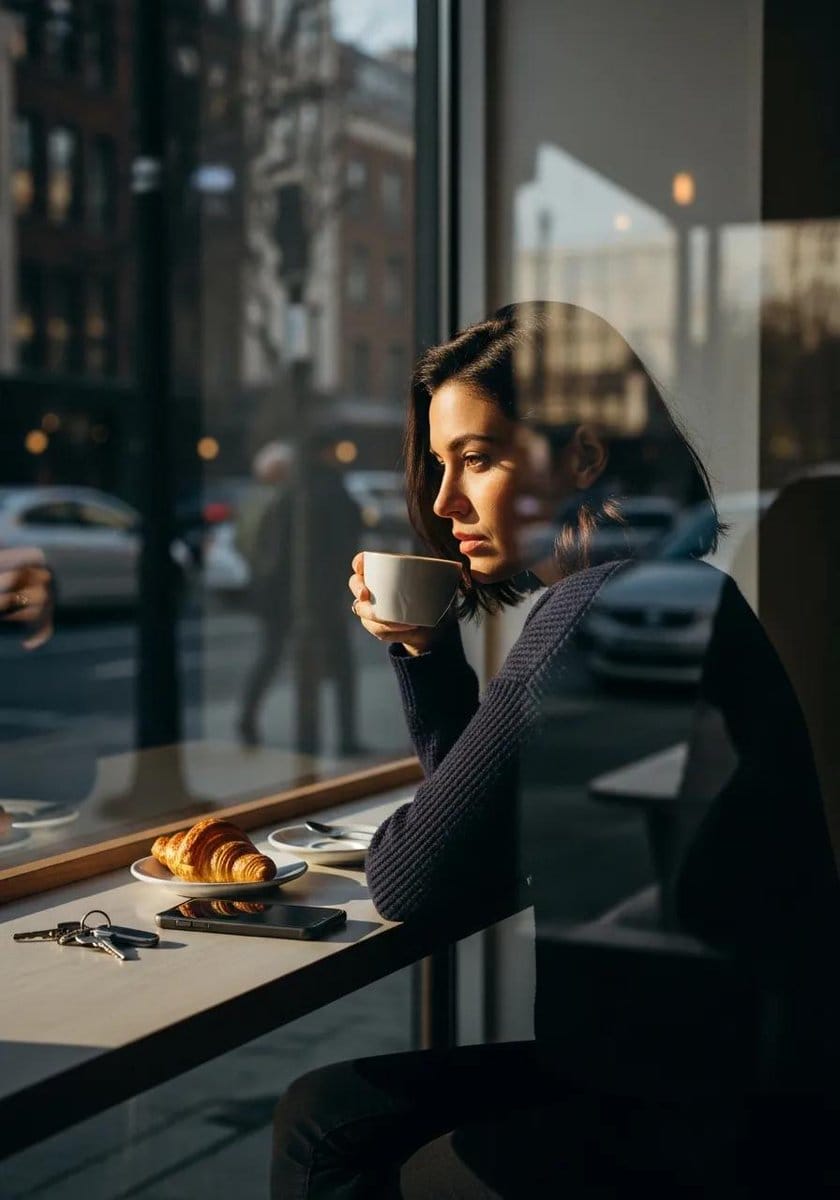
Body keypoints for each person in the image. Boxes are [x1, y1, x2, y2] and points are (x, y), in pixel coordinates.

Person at [271, 303, 840, 1194]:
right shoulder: (673, 595)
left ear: (582, 457)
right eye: (439, 464)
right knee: (328, 1111)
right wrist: (427, 653)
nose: (444, 501)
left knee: (325, 1132)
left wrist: (420, 697)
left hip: (683, 1128)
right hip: (743, 1094)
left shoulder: (595, 610)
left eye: (477, 458)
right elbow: (491, 840)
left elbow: (411, 878)